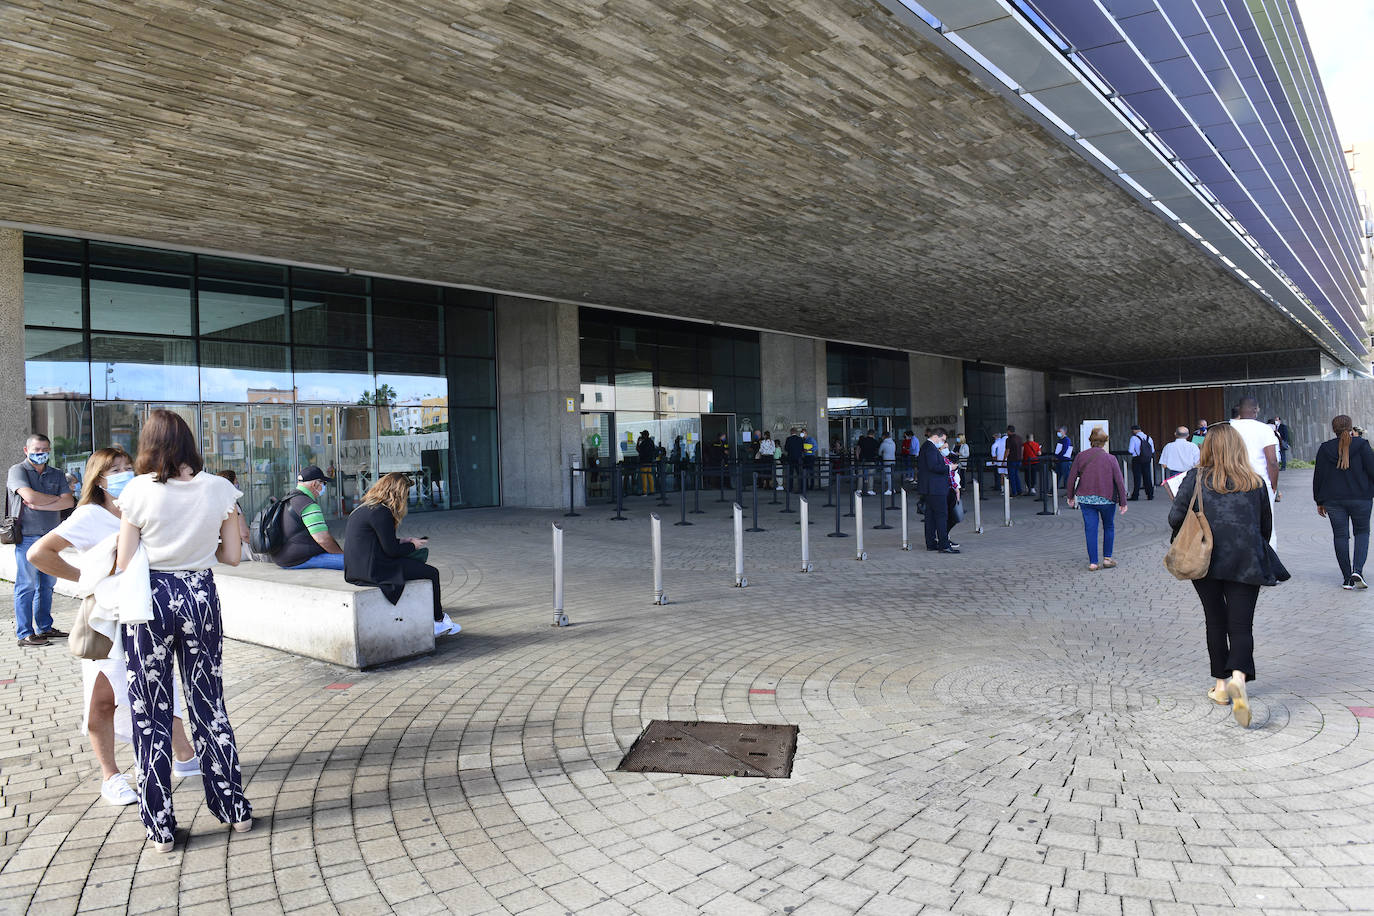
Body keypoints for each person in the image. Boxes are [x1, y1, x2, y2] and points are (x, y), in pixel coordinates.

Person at [26, 447, 200, 807]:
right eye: (113, 470)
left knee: (158, 688)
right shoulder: (89, 515)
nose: (122, 474)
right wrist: (88, 579)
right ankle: (111, 776)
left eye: (126, 467)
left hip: (144, 615)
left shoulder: (139, 508)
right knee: (103, 697)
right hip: (107, 619)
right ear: (98, 479)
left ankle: (181, 757)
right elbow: (39, 554)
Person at [115, 409, 253, 851]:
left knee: (150, 712)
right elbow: (232, 555)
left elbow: (122, 561)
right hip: (199, 595)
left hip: (149, 599)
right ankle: (235, 810)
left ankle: (160, 828)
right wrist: (198, 541)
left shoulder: (137, 491)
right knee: (208, 701)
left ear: (150, 444)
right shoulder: (219, 489)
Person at [1169, 423, 1288, 729]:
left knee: (1215, 620)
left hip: (1205, 559)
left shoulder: (1196, 478)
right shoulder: (1255, 481)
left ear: (1207, 447)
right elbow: (1265, 525)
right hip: (1246, 560)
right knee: (1241, 625)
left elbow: (1175, 517)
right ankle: (1239, 679)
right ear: (1239, 447)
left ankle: (1221, 687)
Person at [344, 472, 457, 637]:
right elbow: (391, 551)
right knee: (432, 573)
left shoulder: (365, 508)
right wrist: (412, 546)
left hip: (357, 568)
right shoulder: (381, 512)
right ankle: (438, 621)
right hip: (374, 570)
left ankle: (436, 619)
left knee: (419, 568)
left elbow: (378, 543)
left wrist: (402, 541)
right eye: (405, 493)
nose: (406, 498)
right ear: (398, 492)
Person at [7, 433, 75, 647]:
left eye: (45, 451)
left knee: (47, 585)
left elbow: (68, 502)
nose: (41, 454)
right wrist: (53, 500)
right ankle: (25, 633)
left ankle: (45, 627)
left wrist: (42, 504)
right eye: (36, 451)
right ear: (27, 451)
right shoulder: (17, 471)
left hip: (52, 539)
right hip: (27, 537)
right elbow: (29, 497)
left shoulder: (55, 474)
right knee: (26, 585)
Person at [1313, 415, 1374, 590]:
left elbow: (1319, 476)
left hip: (1333, 500)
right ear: (1350, 427)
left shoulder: (1325, 448)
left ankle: (1347, 578)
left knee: (1341, 536)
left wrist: (1319, 500)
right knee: (1362, 533)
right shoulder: (1362, 445)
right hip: (1361, 498)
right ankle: (1358, 571)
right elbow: (1372, 470)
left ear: (1333, 429)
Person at [1066, 427, 1128, 571]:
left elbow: (1071, 478)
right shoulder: (1111, 458)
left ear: (1090, 441)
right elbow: (1119, 481)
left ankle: (1093, 562)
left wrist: (1070, 496)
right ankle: (1107, 558)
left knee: (1090, 529)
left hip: (1086, 499)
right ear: (1105, 442)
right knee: (1109, 526)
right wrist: (1123, 502)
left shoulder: (1081, 456)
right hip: (1107, 499)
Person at [273, 466, 345, 570]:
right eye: (323, 483)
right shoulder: (308, 505)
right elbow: (323, 539)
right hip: (298, 560)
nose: (324, 487)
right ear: (315, 484)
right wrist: (341, 555)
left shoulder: (288, 499)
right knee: (354, 562)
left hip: (282, 558)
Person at [1231, 397, 1280, 547]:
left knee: (1237, 522)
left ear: (1239, 410)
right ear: (1256, 410)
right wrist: (1274, 485)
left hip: (1233, 482)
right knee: (1266, 522)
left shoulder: (1228, 428)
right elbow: (1272, 461)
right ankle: (1268, 557)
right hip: (1260, 483)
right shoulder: (1264, 429)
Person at [918, 428, 958, 553]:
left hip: (931, 488)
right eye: (943, 440)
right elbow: (933, 466)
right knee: (941, 515)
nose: (943, 442)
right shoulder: (930, 448)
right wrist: (949, 467)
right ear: (936, 436)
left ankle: (931, 543)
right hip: (935, 488)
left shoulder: (927, 447)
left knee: (930, 516)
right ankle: (944, 545)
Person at [216, 470, 253, 559]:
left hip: (215, 550)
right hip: (233, 551)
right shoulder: (232, 504)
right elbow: (244, 534)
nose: (238, 483)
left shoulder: (213, 503)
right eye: (236, 481)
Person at [1127, 424, 1155, 500]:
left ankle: (1135, 495)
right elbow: (1152, 450)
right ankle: (1150, 495)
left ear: (1134, 430)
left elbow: (1130, 450)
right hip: (1147, 459)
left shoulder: (1133, 438)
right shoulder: (1149, 438)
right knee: (1147, 477)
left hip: (1137, 459)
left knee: (1137, 478)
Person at [854, 429, 878, 495]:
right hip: (871, 460)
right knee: (871, 475)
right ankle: (870, 490)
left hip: (862, 459)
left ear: (867, 433)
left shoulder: (862, 440)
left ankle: (859, 489)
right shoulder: (875, 441)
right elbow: (877, 451)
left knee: (860, 475)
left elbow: (858, 449)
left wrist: (858, 457)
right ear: (873, 434)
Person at [1005, 426, 1024, 497]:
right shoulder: (1019, 438)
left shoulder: (1008, 439)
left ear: (1009, 431)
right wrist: (1021, 457)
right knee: (1016, 475)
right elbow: (1022, 448)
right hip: (1019, 459)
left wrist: (1004, 459)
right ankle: (1019, 491)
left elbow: (1007, 450)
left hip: (1012, 459)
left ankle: (1014, 492)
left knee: (1012, 476)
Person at [636, 431, 657, 495]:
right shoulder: (651, 442)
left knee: (644, 476)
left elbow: (638, 449)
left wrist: (638, 441)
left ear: (644, 436)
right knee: (650, 476)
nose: (641, 436)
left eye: (642, 435)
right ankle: (652, 490)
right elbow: (653, 450)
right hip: (650, 461)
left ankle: (644, 491)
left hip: (644, 461)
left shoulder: (644, 442)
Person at [878, 430, 897, 495]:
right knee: (892, 475)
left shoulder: (883, 444)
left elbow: (879, 452)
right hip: (893, 460)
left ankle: (889, 489)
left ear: (884, 436)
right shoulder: (893, 443)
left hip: (886, 460)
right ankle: (893, 488)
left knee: (888, 476)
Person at [990, 430, 1008, 494]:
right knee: (1009, 474)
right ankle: (1010, 489)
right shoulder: (1009, 439)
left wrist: (994, 456)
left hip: (1000, 459)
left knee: (1002, 475)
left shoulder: (999, 441)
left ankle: (1003, 489)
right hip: (1009, 459)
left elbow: (993, 447)